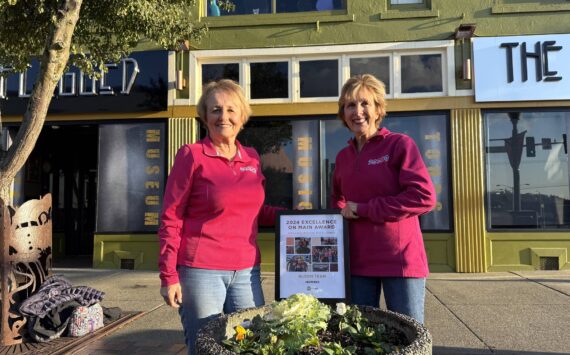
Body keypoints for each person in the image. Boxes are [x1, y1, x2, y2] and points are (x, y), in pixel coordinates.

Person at [158, 79, 280, 354]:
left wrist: (298, 219)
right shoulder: (192, 155)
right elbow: (171, 217)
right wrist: (168, 275)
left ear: (242, 116)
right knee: (207, 347)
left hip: (247, 270)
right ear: (204, 116)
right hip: (201, 271)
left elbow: (256, 211)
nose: (223, 117)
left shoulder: (251, 158)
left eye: (230, 110)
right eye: (215, 110)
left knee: (252, 344)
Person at [331, 74, 436, 324]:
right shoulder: (343, 157)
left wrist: (365, 209)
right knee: (360, 337)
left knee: (407, 338)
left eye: (365, 103)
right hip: (357, 264)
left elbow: (423, 197)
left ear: (378, 109)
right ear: (343, 113)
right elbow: (337, 200)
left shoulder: (399, 145)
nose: (358, 112)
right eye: (350, 105)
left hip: (399, 261)